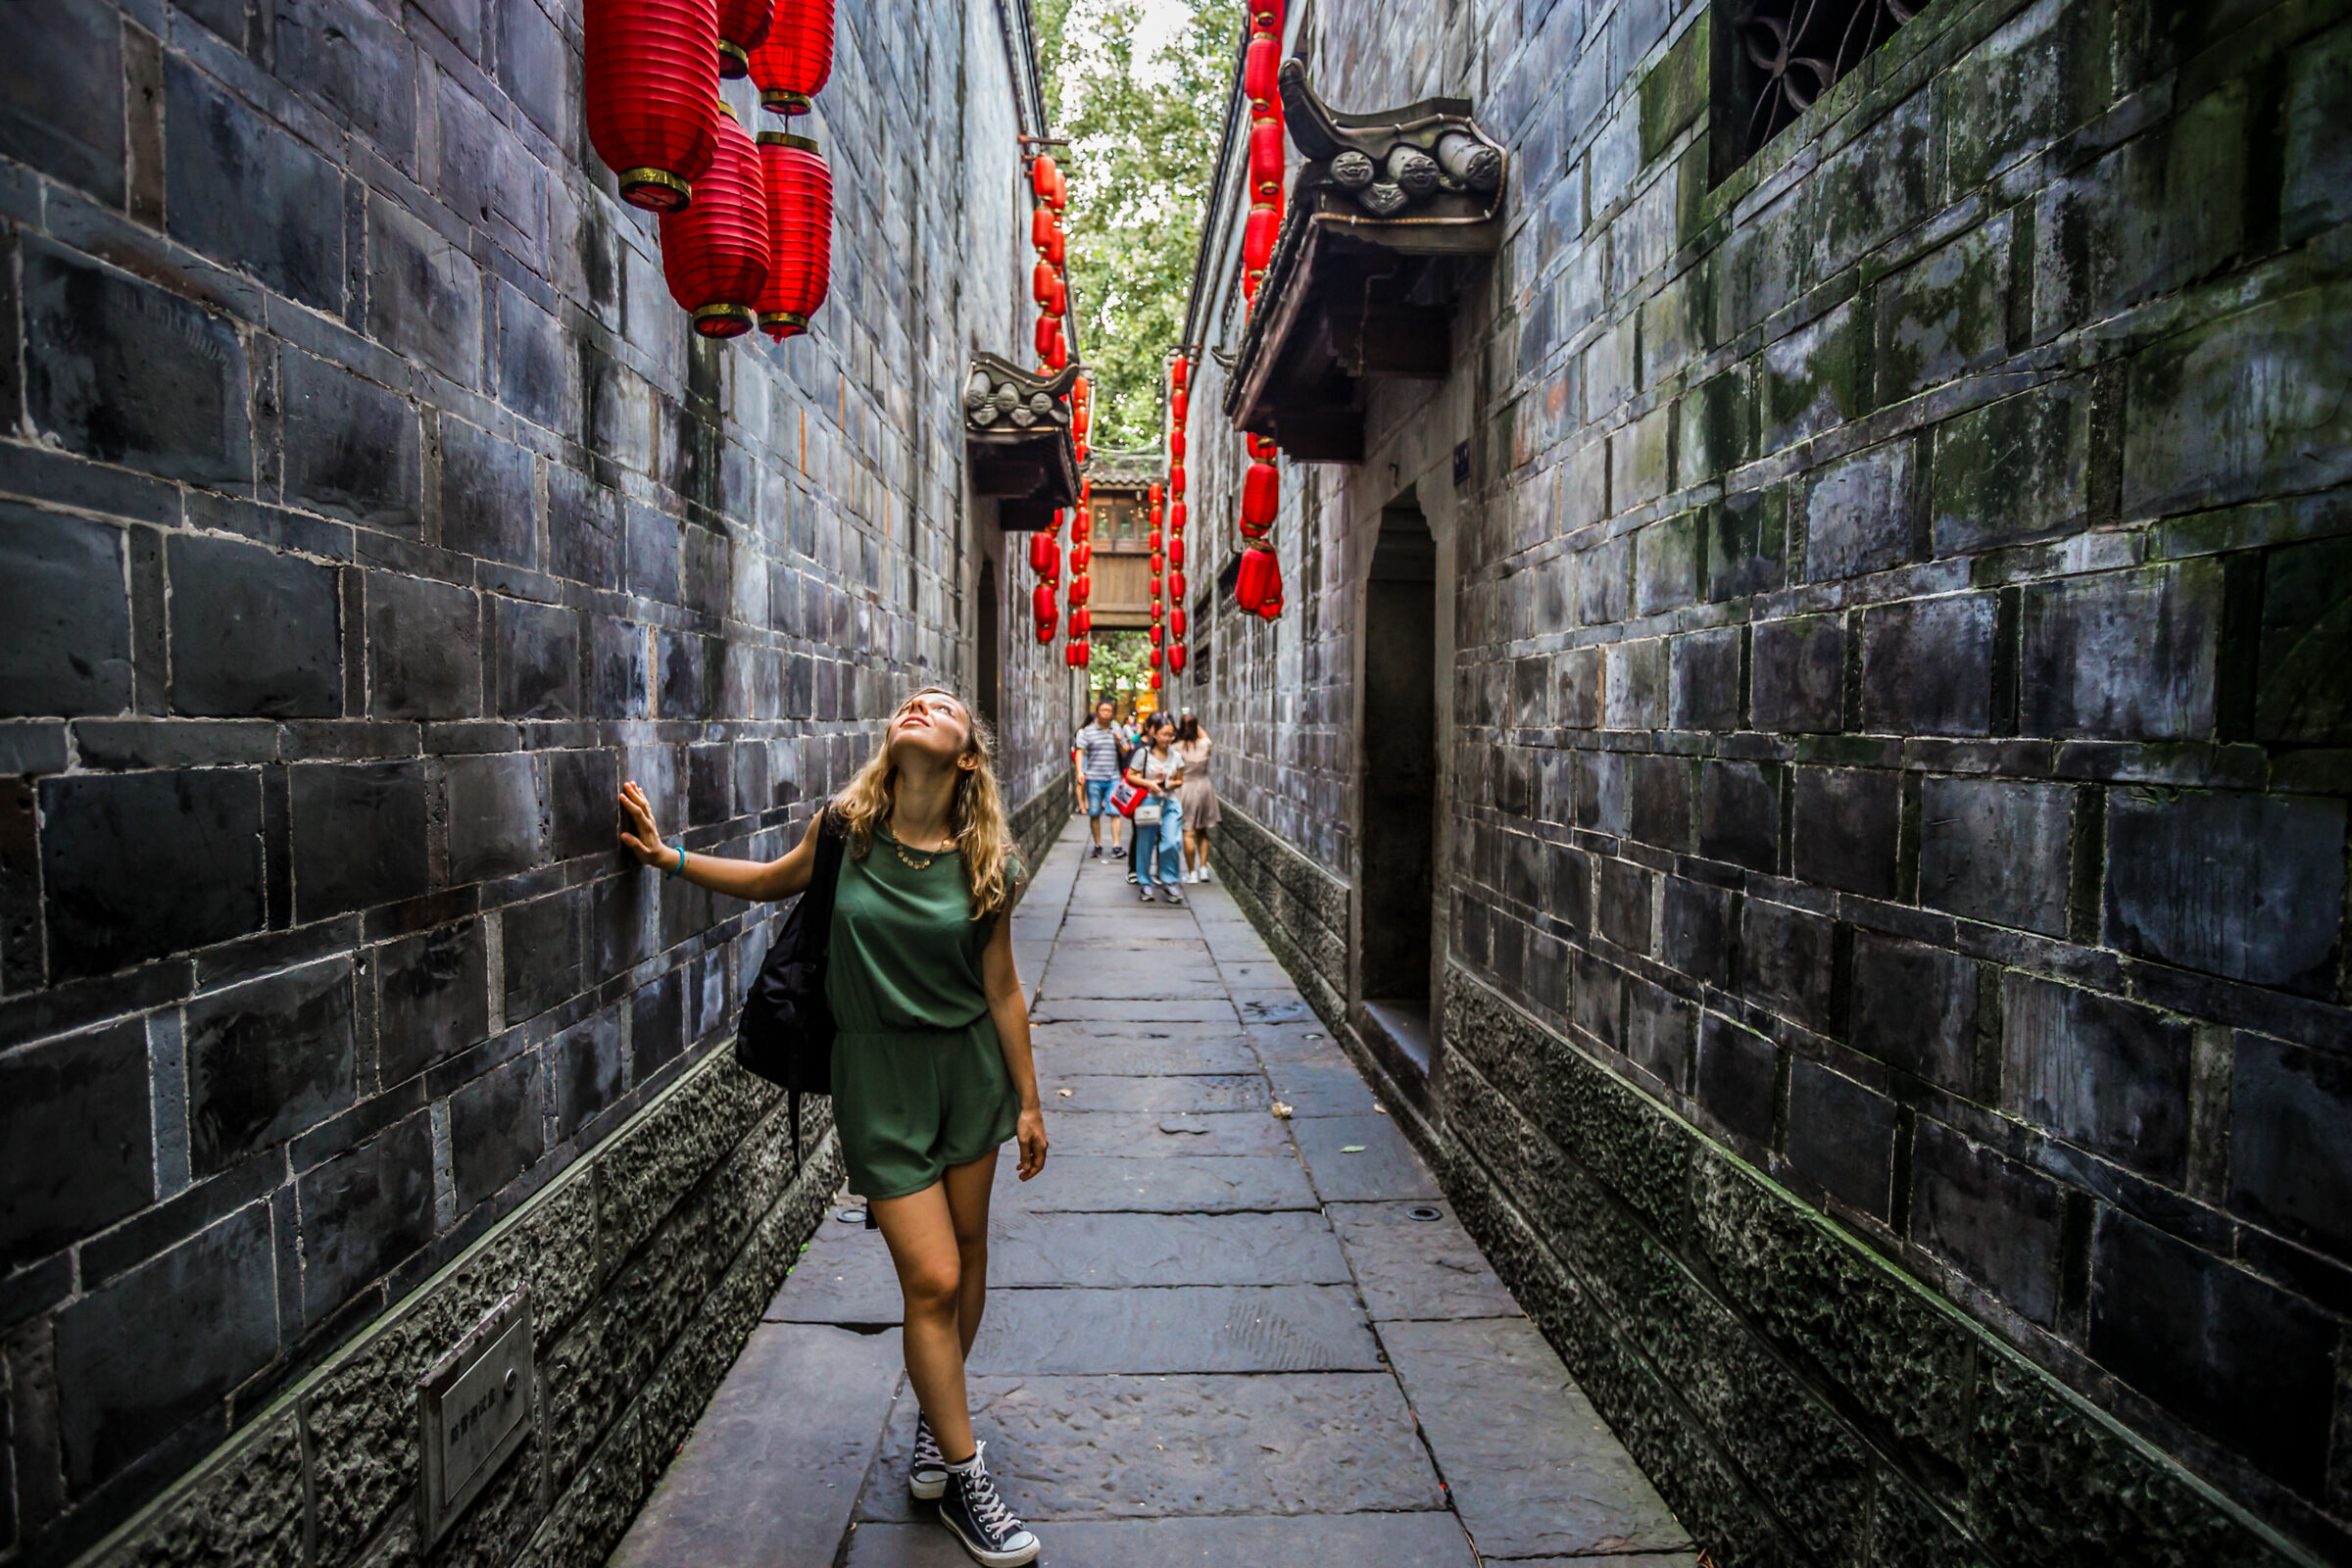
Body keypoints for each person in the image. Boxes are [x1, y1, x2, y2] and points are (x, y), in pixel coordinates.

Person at [615, 687, 1049, 1568]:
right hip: (876, 1080)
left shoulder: (984, 860)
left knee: (969, 1254)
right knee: (930, 1276)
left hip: (967, 1074)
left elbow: (1001, 989)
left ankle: (938, 1424)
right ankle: (968, 1479)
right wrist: (670, 857)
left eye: (945, 706)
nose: (922, 705)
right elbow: (771, 880)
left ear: (967, 755)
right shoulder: (845, 832)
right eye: (914, 700)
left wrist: (1030, 1101)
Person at [1123, 712, 1186, 904]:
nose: (1168, 739)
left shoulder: (1176, 756)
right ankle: (1145, 882)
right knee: (1145, 844)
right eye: (1164, 734)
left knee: (1172, 842)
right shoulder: (1144, 753)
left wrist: (1169, 783)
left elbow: (1180, 779)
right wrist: (1149, 783)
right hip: (1148, 802)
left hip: (1169, 802)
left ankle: (1169, 880)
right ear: (1155, 734)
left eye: (1171, 735)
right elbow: (1130, 776)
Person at [1072, 698, 1127, 860]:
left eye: (1109, 710)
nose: (1106, 713)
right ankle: (1098, 844)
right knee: (1094, 812)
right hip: (1094, 777)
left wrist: (1119, 740)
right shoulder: (1087, 731)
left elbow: (1125, 751)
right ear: (1097, 712)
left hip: (1113, 778)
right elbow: (1080, 752)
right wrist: (1079, 772)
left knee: (1115, 812)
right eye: (1103, 710)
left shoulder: (1116, 729)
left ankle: (1116, 845)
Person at [1173, 709, 1218, 884]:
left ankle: (1192, 872)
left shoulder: (1176, 748)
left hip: (1186, 788)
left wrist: (1184, 725)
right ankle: (1204, 868)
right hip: (1204, 788)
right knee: (1202, 830)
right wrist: (1193, 723)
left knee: (1188, 832)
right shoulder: (1205, 744)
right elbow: (1205, 735)